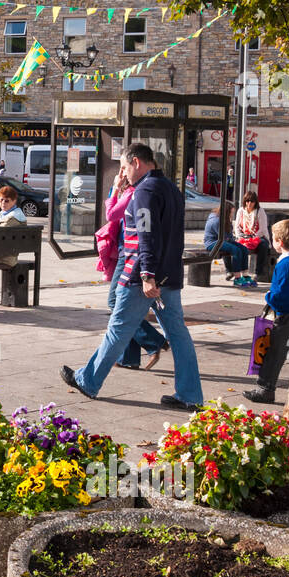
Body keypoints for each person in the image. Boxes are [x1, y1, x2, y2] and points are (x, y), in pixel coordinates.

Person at [62, 143, 203, 410]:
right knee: (178, 333)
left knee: (118, 328)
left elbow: (145, 237)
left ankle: (88, 380)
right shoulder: (171, 189)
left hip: (141, 276)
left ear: (137, 162)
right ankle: (190, 394)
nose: (124, 174)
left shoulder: (144, 192)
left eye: (125, 167)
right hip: (169, 276)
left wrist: (148, 274)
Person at [95, 165, 170, 370]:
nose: (122, 173)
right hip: (125, 253)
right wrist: (116, 188)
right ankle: (128, 358)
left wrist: (115, 188)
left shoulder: (132, 194)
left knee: (114, 302)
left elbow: (111, 213)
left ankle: (154, 341)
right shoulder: (130, 192)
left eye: (124, 169)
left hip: (129, 256)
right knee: (122, 305)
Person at [245, 220, 289, 404]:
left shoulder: (285, 264)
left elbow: (281, 295)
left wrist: (268, 297)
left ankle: (265, 389)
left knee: (273, 353)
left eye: (274, 238)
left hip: (284, 313)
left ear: (279, 241)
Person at [233, 190, 271, 286]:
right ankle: (237, 272)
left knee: (263, 245)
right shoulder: (240, 211)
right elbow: (237, 227)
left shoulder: (260, 211)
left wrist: (253, 237)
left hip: (258, 236)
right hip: (243, 236)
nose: (249, 204)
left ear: (256, 202)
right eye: (247, 201)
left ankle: (257, 273)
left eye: (252, 201)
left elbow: (262, 229)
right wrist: (240, 236)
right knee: (237, 247)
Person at [205, 200, 249, 281]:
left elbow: (228, 236)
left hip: (222, 240)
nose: (232, 214)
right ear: (226, 212)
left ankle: (245, 274)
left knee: (244, 249)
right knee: (236, 250)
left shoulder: (225, 219)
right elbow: (223, 237)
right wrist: (232, 240)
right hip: (212, 243)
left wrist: (234, 239)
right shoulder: (216, 221)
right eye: (231, 212)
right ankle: (237, 276)